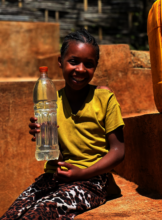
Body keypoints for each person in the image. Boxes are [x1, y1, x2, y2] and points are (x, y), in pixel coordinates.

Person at [1, 29, 125, 220]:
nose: (81, 69)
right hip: (54, 178)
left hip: (92, 181)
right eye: (73, 61)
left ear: (96, 66)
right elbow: (57, 156)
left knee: (37, 216)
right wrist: (43, 136)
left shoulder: (104, 98)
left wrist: (82, 173)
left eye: (89, 64)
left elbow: (118, 151)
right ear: (60, 62)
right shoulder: (51, 103)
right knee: (12, 215)